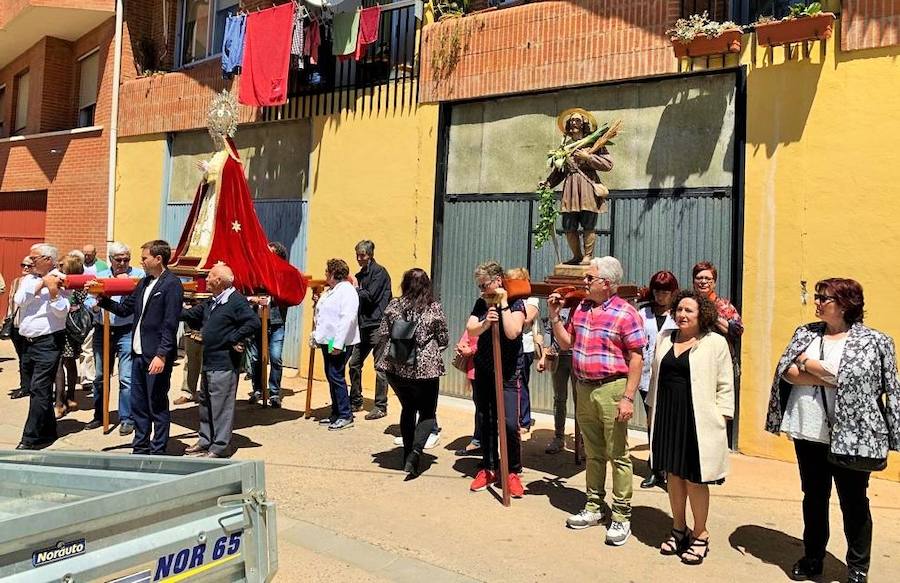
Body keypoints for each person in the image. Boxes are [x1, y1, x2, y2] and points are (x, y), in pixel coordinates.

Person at [765, 278, 900, 583]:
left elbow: (881, 385)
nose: (817, 302)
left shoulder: (876, 341)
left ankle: (857, 567)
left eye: (823, 298)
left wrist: (810, 365)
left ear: (845, 304)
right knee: (813, 496)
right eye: (817, 296)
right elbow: (786, 372)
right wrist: (830, 376)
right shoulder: (806, 333)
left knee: (854, 501)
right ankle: (813, 558)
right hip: (809, 429)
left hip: (853, 436)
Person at [548, 256, 645, 546]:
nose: (585, 282)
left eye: (590, 278)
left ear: (607, 283)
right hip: (584, 387)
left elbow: (637, 357)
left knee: (618, 454)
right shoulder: (581, 309)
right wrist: (554, 316)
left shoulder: (626, 314)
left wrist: (628, 397)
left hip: (611, 388)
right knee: (593, 451)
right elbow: (567, 343)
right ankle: (593, 505)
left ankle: (621, 514)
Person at [647, 290, 734, 565]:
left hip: (699, 419)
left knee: (695, 478)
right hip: (668, 416)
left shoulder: (715, 342)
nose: (682, 315)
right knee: (673, 474)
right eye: (679, 310)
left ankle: (700, 533)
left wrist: (723, 418)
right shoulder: (664, 338)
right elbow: (655, 376)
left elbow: (725, 383)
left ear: (702, 315)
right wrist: (652, 410)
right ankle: (678, 528)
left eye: (689, 311)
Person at [96, 240, 184, 455]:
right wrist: (102, 299)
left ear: (158, 259)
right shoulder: (144, 283)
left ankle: (158, 448)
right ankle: (140, 446)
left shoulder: (172, 284)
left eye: (144, 258)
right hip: (138, 354)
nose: (141, 262)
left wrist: (162, 355)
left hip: (156, 356)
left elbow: (170, 323)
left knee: (157, 404)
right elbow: (124, 309)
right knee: (139, 404)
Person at [375, 268, 449, 477]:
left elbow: (383, 332)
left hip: (397, 368)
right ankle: (416, 452)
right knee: (427, 412)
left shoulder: (394, 305)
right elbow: (443, 338)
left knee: (408, 408)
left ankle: (407, 454)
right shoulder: (433, 308)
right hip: (426, 370)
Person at [182, 264, 259, 458]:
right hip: (209, 361)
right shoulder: (212, 302)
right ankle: (205, 440)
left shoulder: (236, 301)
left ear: (219, 281)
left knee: (221, 406)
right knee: (206, 404)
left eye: (209, 276)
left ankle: (221, 446)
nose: (206, 280)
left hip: (224, 363)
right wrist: (168, 306)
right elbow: (191, 315)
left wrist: (233, 338)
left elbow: (253, 322)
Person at [466, 260, 527, 498]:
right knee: (487, 419)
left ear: (498, 280)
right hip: (485, 368)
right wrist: (484, 323)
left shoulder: (516, 302)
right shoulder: (482, 303)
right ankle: (489, 467)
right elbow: (471, 328)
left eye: (484, 284)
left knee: (510, 423)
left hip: (509, 370)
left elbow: (513, 332)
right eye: (479, 286)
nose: (482, 290)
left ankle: (511, 471)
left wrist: (502, 307)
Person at [85, 242, 145, 434]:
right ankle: (99, 415)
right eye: (118, 259)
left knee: (126, 377)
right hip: (103, 329)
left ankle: (127, 417)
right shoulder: (100, 277)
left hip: (126, 330)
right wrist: (94, 305)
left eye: (126, 259)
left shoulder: (138, 276)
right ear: (110, 259)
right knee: (101, 376)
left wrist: (126, 281)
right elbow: (88, 299)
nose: (122, 263)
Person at [542, 108, 614, 265]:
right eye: (571, 121)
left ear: (584, 124)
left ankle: (588, 256)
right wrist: (548, 183)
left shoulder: (594, 143)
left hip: (587, 185)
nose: (574, 123)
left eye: (578, 120)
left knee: (588, 223)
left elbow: (608, 164)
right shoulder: (565, 147)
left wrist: (588, 157)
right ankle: (577, 256)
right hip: (570, 188)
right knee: (568, 225)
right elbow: (560, 171)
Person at [16, 244, 68, 450]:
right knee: (37, 389)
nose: (30, 261)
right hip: (28, 342)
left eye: (34, 258)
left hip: (48, 342)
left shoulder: (61, 279)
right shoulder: (29, 279)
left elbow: (62, 312)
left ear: (48, 259)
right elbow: (20, 300)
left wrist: (53, 291)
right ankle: (47, 430)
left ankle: (30, 438)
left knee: (39, 388)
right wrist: (40, 286)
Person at [638, 270, 679, 488]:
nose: (661, 295)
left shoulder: (679, 314)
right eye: (657, 290)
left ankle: (671, 467)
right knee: (652, 422)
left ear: (673, 292)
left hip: (672, 377)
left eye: (665, 291)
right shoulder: (643, 313)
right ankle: (655, 468)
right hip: (647, 376)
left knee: (671, 423)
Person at [313, 259, 360, 431]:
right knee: (331, 374)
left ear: (334, 273)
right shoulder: (332, 291)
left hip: (340, 340)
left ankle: (345, 414)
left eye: (327, 271)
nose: (325, 274)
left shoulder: (347, 291)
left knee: (336, 374)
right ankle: (336, 411)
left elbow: (347, 318)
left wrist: (338, 344)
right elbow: (324, 315)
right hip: (329, 339)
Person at [348, 240, 392, 419]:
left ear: (370, 255)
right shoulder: (361, 275)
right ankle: (356, 401)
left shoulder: (379, 273)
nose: (359, 258)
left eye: (362, 255)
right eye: (357, 255)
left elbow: (370, 297)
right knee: (354, 363)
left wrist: (355, 288)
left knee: (380, 366)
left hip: (378, 325)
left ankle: (381, 406)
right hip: (364, 325)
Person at [247, 241, 291, 408]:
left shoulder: (285, 275)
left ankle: (274, 393)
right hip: (257, 321)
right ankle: (258, 389)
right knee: (256, 358)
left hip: (277, 322)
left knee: (275, 357)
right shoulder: (257, 272)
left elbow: (289, 295)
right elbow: (248, 292)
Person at [536, 304, 575, 455]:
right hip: (558, 357)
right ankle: (559, 437)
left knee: (582, 401)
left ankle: (583, 441)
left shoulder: (580, 304)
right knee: (559, 398)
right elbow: (548, 331)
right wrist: (544, 357)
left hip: (577, 356)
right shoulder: (556, 304)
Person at [692, 261, 743, 376]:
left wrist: (712, 315)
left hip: (720, 364)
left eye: (708, 278)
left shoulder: (723, 305)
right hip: (694, 362)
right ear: (693, 282)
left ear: (714, 283)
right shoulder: (688, 305)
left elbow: (737, 330)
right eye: (699, 278)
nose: (703, 282)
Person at [54, 252, 88, 419]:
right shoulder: (80, 284)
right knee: (68, 361)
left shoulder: (70, 285)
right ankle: (70, 397)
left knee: (61, 362)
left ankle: (60, 403)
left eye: (62, 265)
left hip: (67, 327)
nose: (59, 268)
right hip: (69, 328)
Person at [506, 267, 540, 432]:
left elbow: (526, 319)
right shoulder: (507, 299)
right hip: (509, 346)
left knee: (522, 383)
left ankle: (524, 420)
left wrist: (513, 309)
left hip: (525, 347)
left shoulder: (532, 300)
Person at [8, 256, 35, 400]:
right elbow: (11, 303)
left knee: (28, 357)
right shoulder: (15, 282)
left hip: (29, 326)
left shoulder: (36, 283)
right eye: (23, 265)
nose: (25, 268)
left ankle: (29, 386)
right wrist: (7, 320)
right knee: (22, 357)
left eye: (28, 265)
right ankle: (25, 386)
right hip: (15, 325)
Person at [452, 331, 482, 456]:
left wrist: (472, 349)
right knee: (480, 407)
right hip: (475, 368)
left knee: (488, 409)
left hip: (490, 369)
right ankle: (478, 441)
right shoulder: (477, 315)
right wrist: (463, 345)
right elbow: (469, 332)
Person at [173, 322, 203, 406]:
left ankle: (206, 394)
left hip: (208, 328)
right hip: (191, 329)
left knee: (206, 363)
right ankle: (188, 392)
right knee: (190, 362)